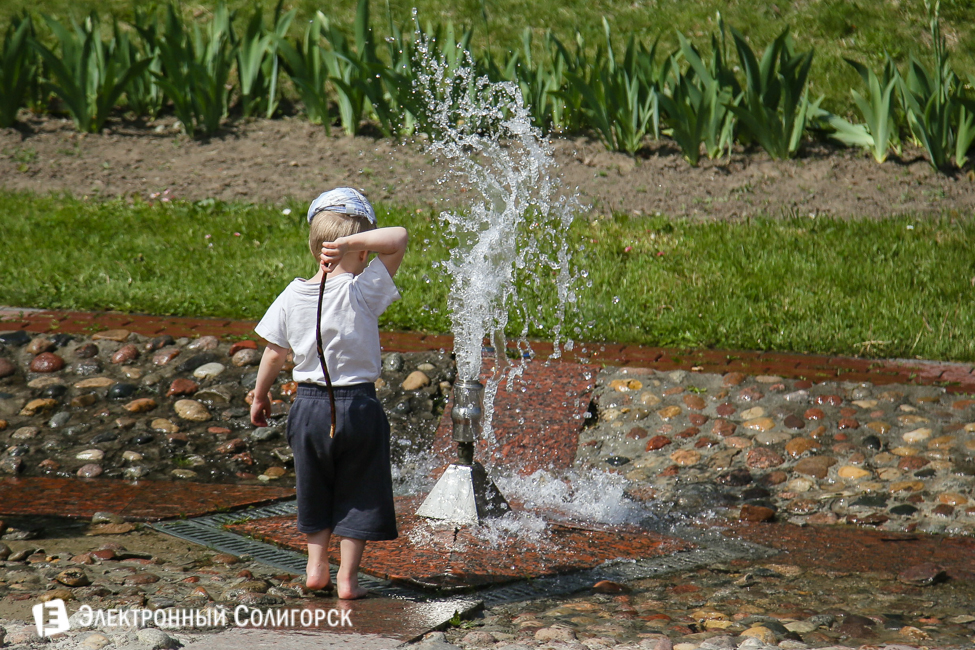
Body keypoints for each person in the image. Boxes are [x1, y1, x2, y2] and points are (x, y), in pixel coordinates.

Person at [249, 188, 408, 600]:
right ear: (360, 251)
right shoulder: (362, 290)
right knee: (360, 489)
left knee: (314, 485)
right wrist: (354, 242)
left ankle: (315, 566)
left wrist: (260, 395)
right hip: (358, 407)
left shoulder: (291, 294)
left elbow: (274, 352)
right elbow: (399, 238)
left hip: (308, 408)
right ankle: (348, 579)